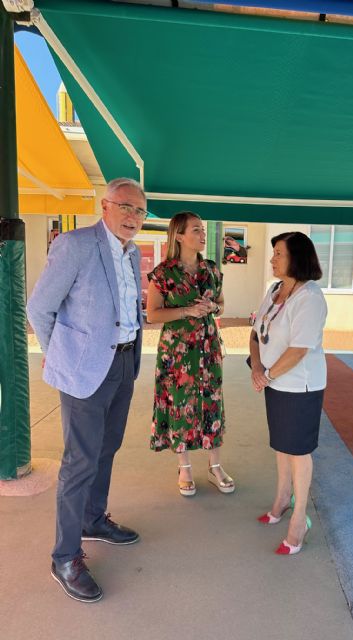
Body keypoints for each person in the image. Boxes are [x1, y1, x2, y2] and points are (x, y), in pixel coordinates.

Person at [27, 177, 146, 602]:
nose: (133, 216)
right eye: (126, 206)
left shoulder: (131, 255)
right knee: (79, 461)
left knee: (107, 448)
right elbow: (40, 307)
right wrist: (58, 352)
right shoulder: (76, 245)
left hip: (125, 361)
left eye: (140, 210)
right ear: (105, 206)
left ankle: (94, 519)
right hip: (84, 371)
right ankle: (64, 556)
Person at [249, 231, 327, 555]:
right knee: (281, 445)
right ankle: (282, 498)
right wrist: (257, 369)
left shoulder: (310, 297)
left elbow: (298, 351)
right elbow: (256, 332)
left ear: (296, 257)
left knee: (298, 451)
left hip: (299, 386)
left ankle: (299, 519)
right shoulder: (274, 290)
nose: (272, 259)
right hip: (272, 381)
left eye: (278, 253)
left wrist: (265, 374)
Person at [146, 211, 234, 496]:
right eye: (196, 229)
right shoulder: (163, 273)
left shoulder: (211, 269)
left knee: (211, 402)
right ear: (179, 236)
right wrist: (186, 311)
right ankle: (184, 468)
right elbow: (152, 315)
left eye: (203, 229)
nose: (202, 234)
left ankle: (215, 466)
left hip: (208, 347)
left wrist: (213, 308)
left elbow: (221, 303)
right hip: (178, 350)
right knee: (180, 403)